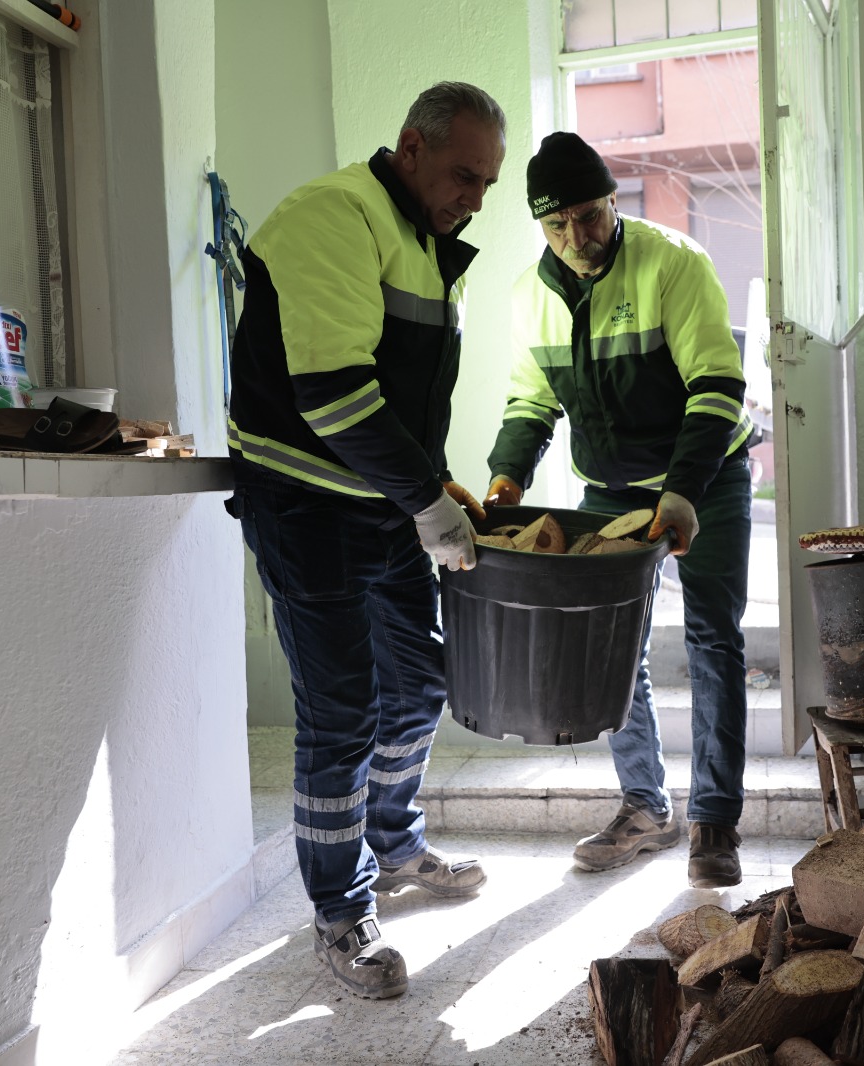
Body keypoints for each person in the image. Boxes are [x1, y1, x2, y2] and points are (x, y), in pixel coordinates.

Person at [225, 82, 506, 1000]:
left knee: (420, 684)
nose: (475, 197)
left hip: (381, 505)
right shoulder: (334, 214)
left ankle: (394, 843)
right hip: (305, 510)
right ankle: (340, 914)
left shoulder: (425, 244)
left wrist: (435, 482)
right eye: (464, 174)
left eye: (488, 182)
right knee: (341, 710)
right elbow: (335, 394)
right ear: (411, 148)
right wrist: (427, 499)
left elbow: (402, 398)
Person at [484, 132, 758, 888]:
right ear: (540, 225)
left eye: (589, 215)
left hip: (707, 476)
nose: (577, 237)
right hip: (610, 490)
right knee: (612, 646)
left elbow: (716, 385)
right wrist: (506, 477)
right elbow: (531, 399)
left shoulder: (673, 263)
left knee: (712, 638)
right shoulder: (530, 296)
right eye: (556, 224)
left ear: (613, 200)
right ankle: (645, 807)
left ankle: (715, 821)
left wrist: (684, 492)